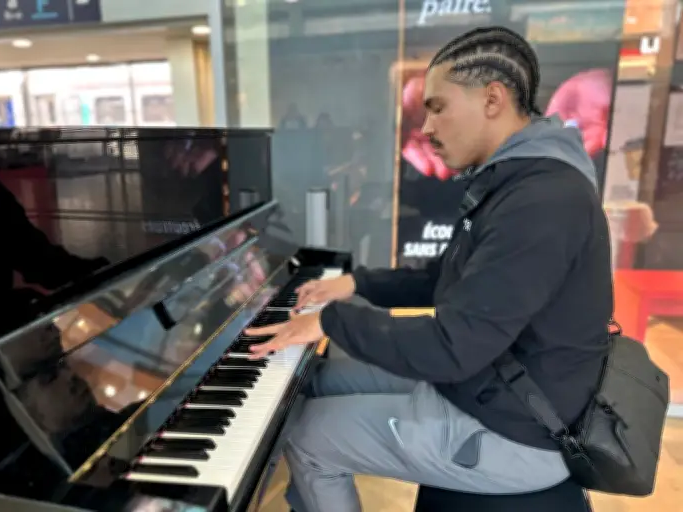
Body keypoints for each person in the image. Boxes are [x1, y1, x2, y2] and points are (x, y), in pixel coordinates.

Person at [244, 26, 613, 512]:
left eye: (437, 107)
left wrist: (333, 320)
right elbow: (445, 281)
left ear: (492, 99)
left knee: (308, 435)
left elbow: (451, 347)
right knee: (320, 376)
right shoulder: (521, 181)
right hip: (492, 386)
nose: (428, 128)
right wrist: (355, 284)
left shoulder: (542, 201)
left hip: (519, 430)